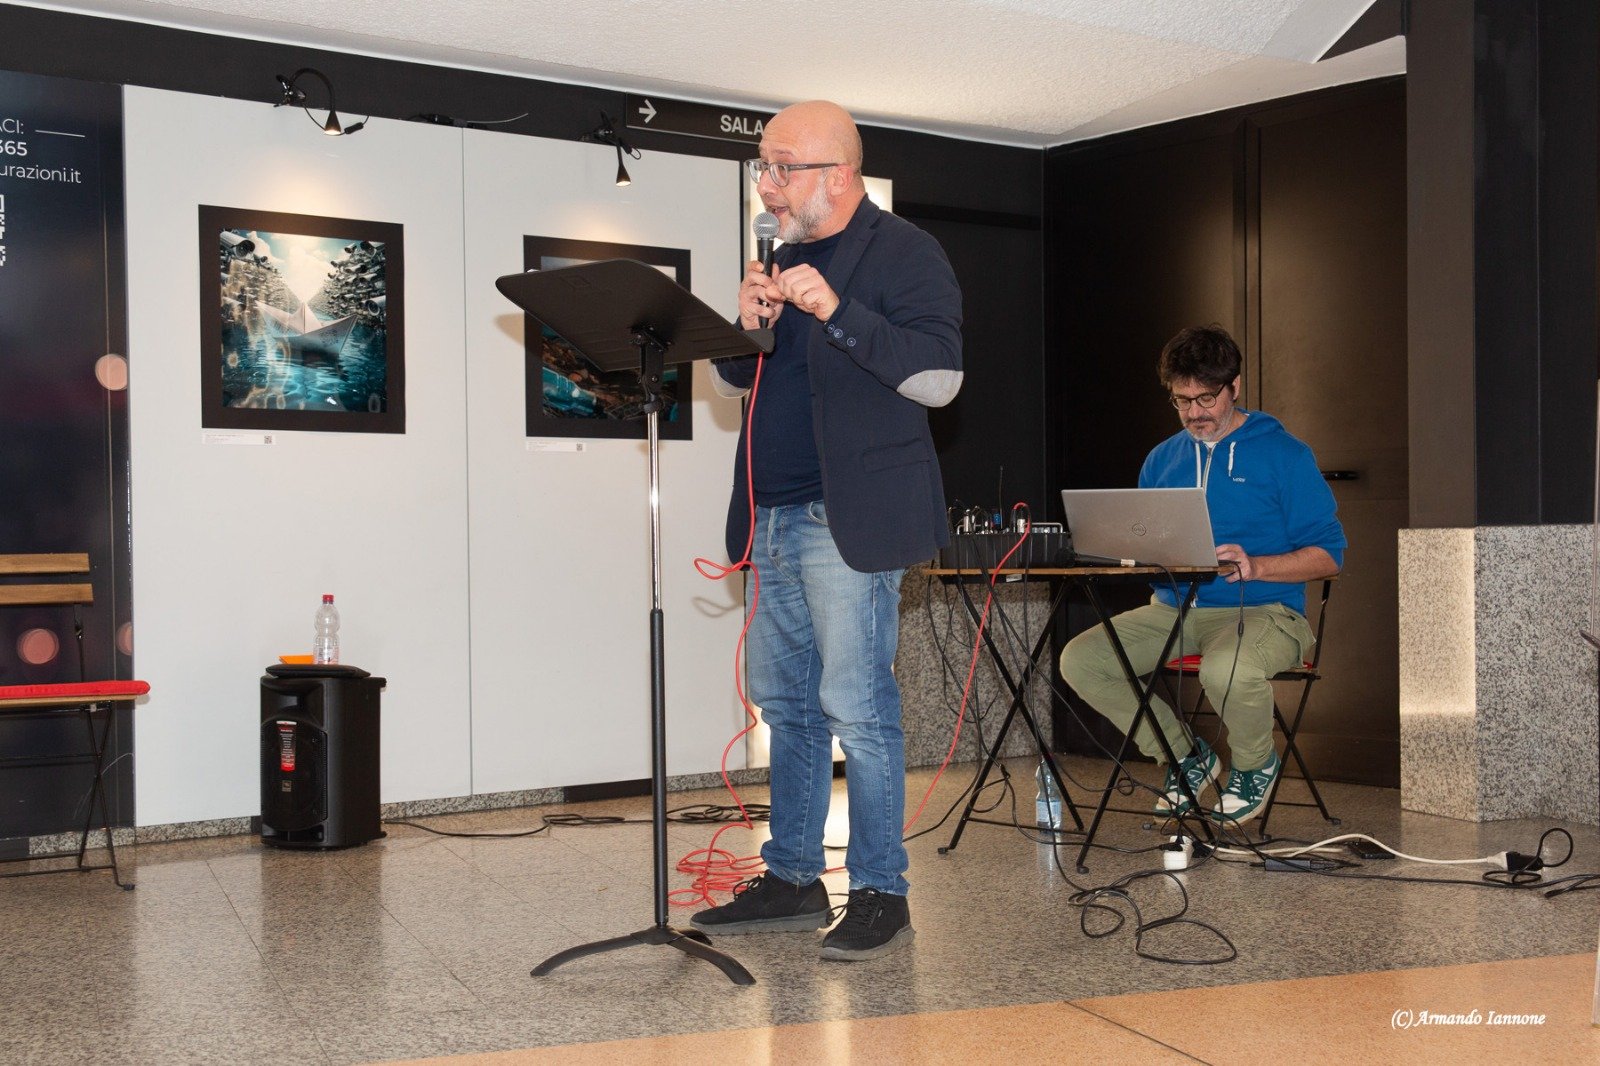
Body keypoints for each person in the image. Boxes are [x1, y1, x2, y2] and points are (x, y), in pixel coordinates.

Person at [689, 101, 963, 961]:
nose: (766, 186)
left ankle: (882, 891)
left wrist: (837, 310)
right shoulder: (780, 254)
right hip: (770, 515)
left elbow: (940, 379)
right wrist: (747, 325)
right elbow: (737, 380)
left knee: (858, 708)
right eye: (762, 168)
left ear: (838, 175)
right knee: (784, 706)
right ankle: (793, 877)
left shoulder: (906, 251)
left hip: (844, 520)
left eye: (782, 168)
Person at [1058, 325, 1344, 825]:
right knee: (1081, 660)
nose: (1195, 413)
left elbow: (1330, 557)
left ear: (1235, 387)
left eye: (1206, 398)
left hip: (1267, 611)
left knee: (1224, 666)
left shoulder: (1285, 455)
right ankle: (1185, 758)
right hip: (1175, 609)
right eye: (1182, 400)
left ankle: (1254, 766)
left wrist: (1257, 565)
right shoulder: (1161, 459)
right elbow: (1148, 543)